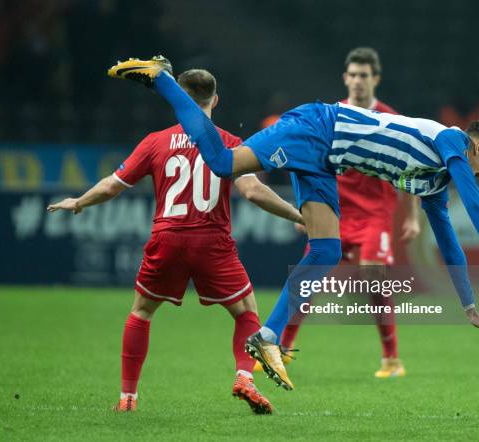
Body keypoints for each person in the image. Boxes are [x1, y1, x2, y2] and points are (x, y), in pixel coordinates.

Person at [107, 56, 479, 392]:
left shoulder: (434, 181)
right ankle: (161, 77)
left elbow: (448, 238)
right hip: (315, 127)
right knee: (221, 162)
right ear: (478, 146)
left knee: (325, 250)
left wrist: (470, 306)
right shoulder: (452, 139)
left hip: (327, 159)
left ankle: (268, 336)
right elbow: (474, 203)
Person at [47, 69, 303, 414]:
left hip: (167, 238)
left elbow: (112, 185)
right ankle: (245, 376)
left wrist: (79, 201)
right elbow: (254, 191)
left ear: (176, 100)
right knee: (246, 312)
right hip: (212, 240)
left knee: (141, 311)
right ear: (215, 100)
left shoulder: (156, 141)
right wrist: (298, 215)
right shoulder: (230, 143)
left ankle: (127, 397)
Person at [274, 47, 420, 378]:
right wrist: (306, 208)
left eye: (363, 75)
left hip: (375, 214)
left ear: (376, 79)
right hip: (334, 211)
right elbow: (310, 161)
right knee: (307, 279)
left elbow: (409, 170)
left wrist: (411, 216)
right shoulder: (332, 116)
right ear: (345, 78)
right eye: (352, 75)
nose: (357, 81)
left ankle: (392, 359)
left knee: (373, 276)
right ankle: (282, 351)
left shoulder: (391, 120)